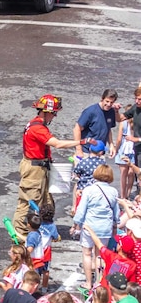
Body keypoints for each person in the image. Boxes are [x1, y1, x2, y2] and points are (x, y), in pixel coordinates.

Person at [13, 95, 90, 238]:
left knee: (46, 202)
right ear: (46, 112)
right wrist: (82, 142)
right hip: (34, 170)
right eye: (53, 113)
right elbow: (57, 144)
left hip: (40, 167)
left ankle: (43, 230)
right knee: (29, 201)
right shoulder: (38, 129)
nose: (54, 116)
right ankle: (20, 234)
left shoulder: (37, 125)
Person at [73, 165, 120, 291]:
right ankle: (99, 283)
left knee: (87, 253)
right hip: (105, 228)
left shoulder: (89, 190)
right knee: (100, 255)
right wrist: (115, 225)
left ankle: (88, 282)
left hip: (90, 226)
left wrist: (76, 224)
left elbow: (81, 210)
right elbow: (116, 212)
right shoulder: (114, 191)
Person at [74, 89, 118, 158]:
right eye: (107, 101)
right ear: (102, 98)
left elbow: (108, 129)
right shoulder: (90, 111)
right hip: (86, 151)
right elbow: (77, 129)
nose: (109, 104)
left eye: (111, 102)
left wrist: (111, 145)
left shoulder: (111, 112)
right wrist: (78, 149)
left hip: (100, 151)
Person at [26, 213, 55, 291]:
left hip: (34, 260)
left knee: (32, 277)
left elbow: (30, 249)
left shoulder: (32, 235)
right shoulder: (38, 233)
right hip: (40, 258)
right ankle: (41, 289)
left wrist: (23, 254)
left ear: (28, 225)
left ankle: (32, 291)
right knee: (38, 275)